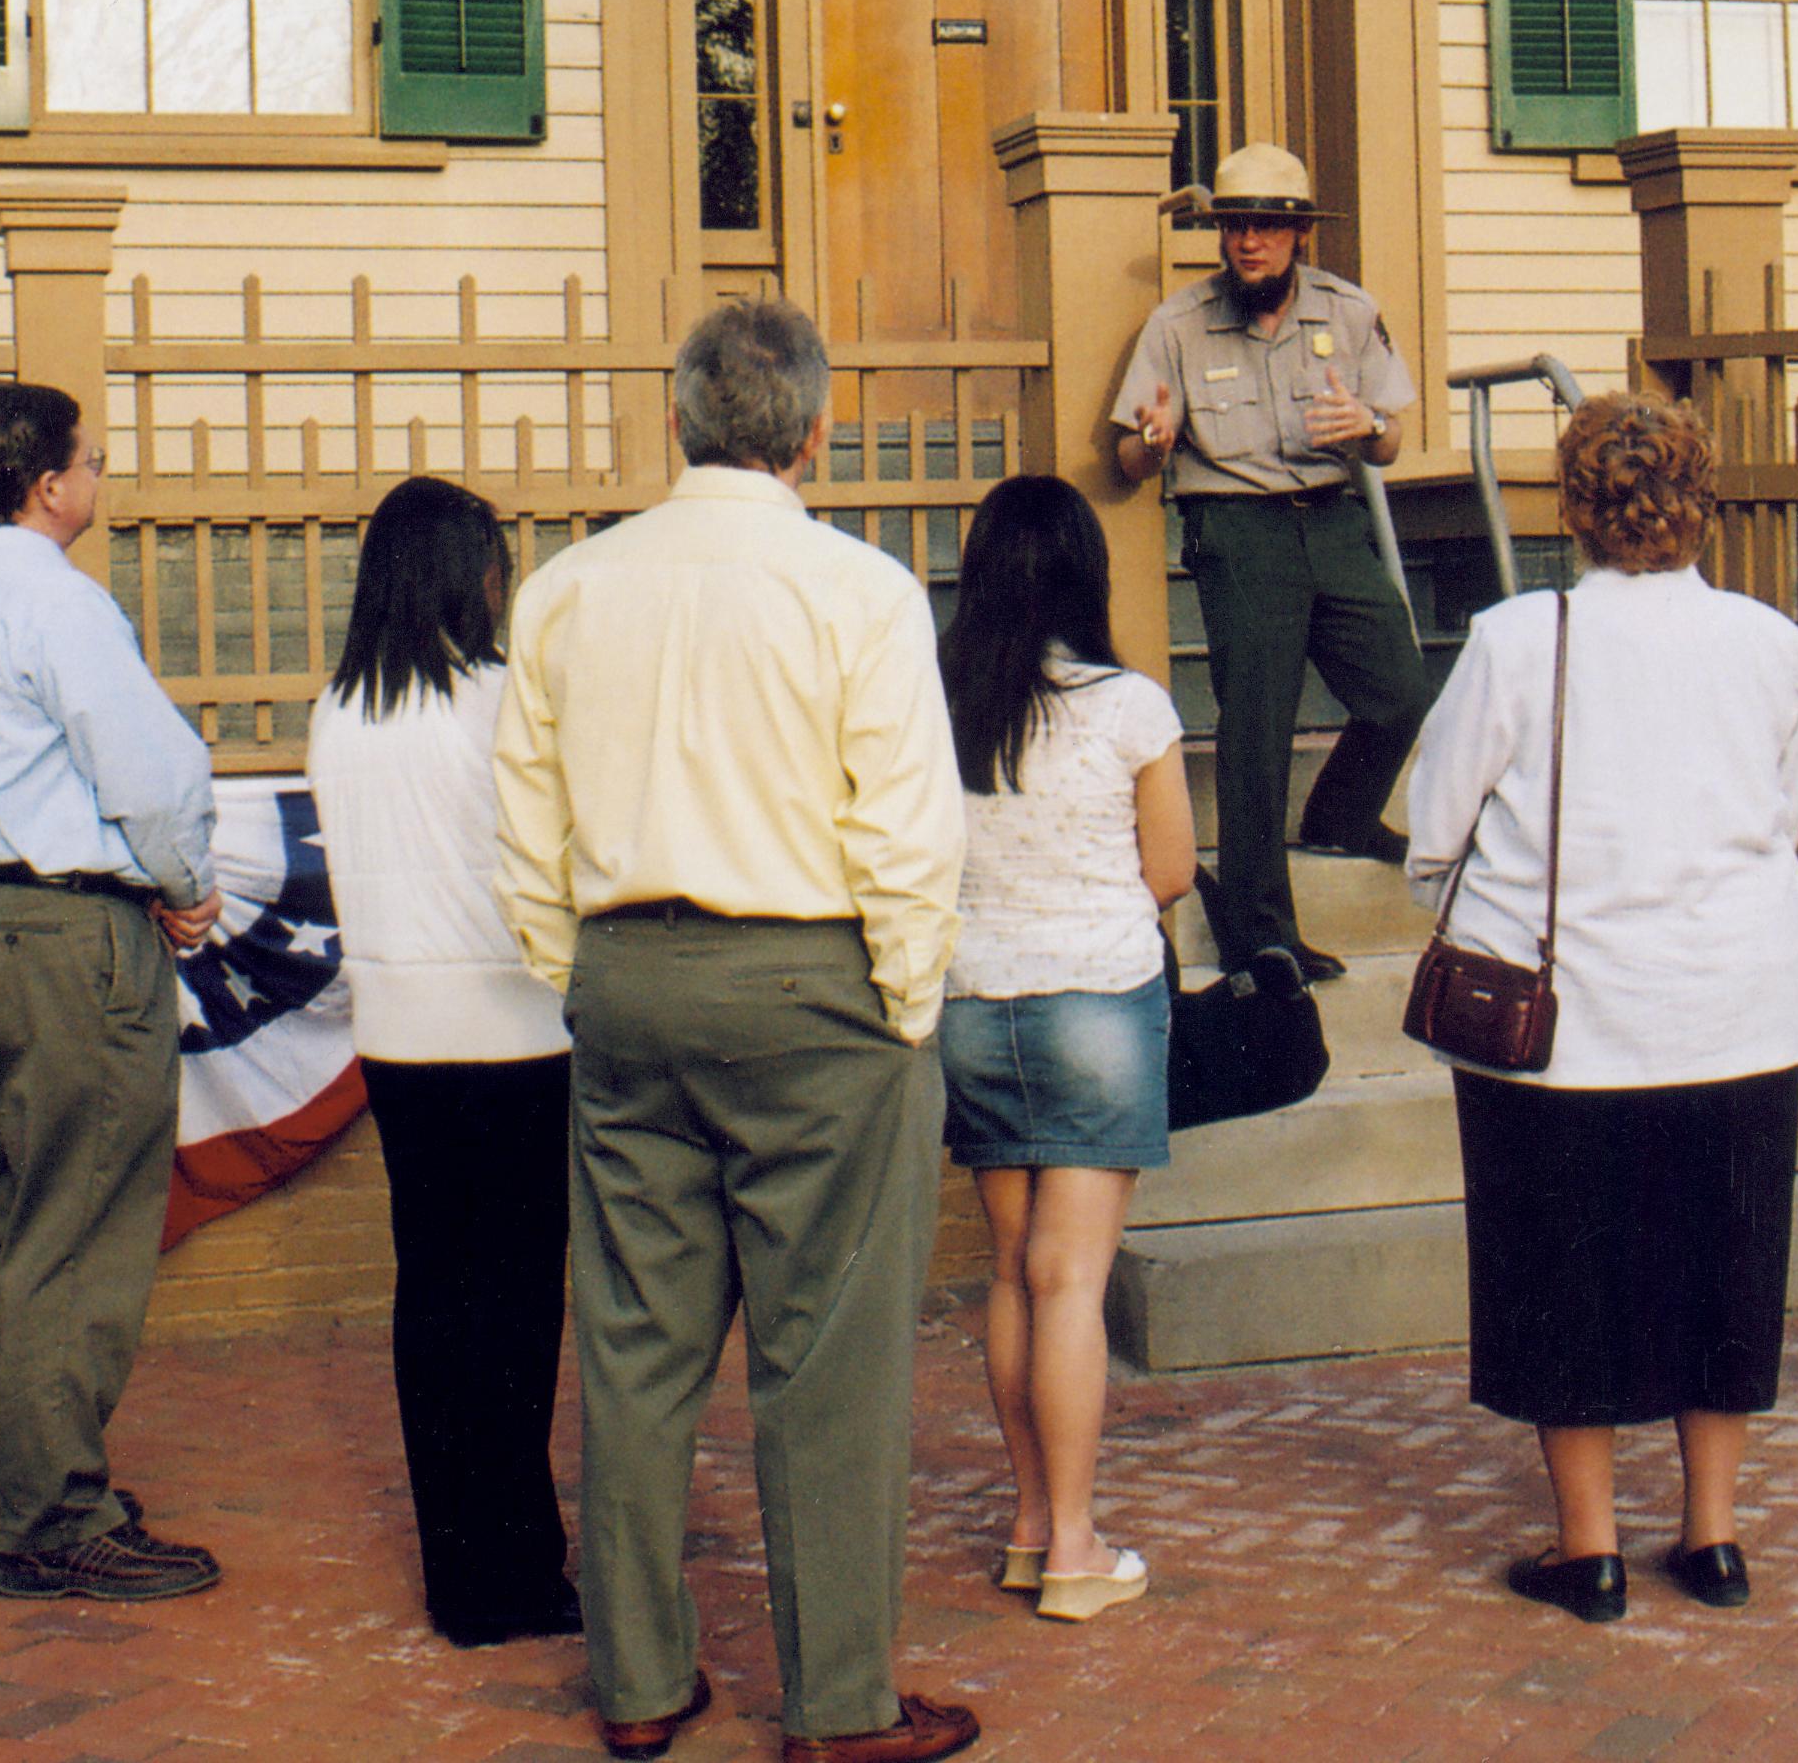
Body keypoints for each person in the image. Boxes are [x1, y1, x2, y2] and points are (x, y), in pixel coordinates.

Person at [494, 299, 982, 1763]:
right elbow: (905, 823)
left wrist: (568, 968)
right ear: (817, 434)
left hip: (628, 977)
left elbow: (527, 815)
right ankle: (837, 1700)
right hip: (814, 984)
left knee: (635, 1347)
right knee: (824, 1356)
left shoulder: (570, 588)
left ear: (676, 423)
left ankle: (638, 1682)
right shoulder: (860, 589)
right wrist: (905, 1000)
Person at [1408, 392, 1798, 1625]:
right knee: (1726, 1263)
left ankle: (1588, 1548)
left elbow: (1432, 825)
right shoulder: (1771, 640)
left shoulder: (1514, 635)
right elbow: (1778, 814)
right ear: (1701, 500)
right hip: (1737, 1003)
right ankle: (1711, 1534)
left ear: (1573, 506)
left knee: (1561, 1271)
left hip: (1566, 1014)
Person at [0, 378, 224, 1603]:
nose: (99, 477)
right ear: (51, 483)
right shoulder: (61, 605)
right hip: (65, 932)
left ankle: (1, 1493)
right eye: (93, 460)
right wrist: (185, 880)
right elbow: (149, 771)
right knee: (76, 1219)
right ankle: (58, 1510)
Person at [305, 476, 580, 1649]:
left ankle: (457, 1573)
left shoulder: (338, 711)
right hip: (515, 1032)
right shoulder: (506, 702)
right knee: (516, 1307)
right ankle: (523, 1563)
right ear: (478, 576)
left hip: (397, 1039)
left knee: (433, 1295)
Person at [934, 476, 1200, 1625]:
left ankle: (1032, 1521)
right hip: (1095, 994)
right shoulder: (1129, 705)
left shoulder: (942, 701)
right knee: (1072, 1279)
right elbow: (1175, 869)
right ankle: (1079, 1548)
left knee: (1011, 1272)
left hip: (972, 1001)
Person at [1112, 140, 1429, 983]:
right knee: (1257, 727)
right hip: (1237, 531)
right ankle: (1262, 933)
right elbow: (1125, 458)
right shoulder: (1176, 324)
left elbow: (1393, 441)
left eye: (1267, 227)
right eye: (1234, 226)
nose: (1249, 242)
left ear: (1298, 235)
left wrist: (1366, 428)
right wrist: (1152, 442)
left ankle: (1341, 813)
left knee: (1400, 690)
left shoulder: (1349, 312)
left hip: (1330, 520)